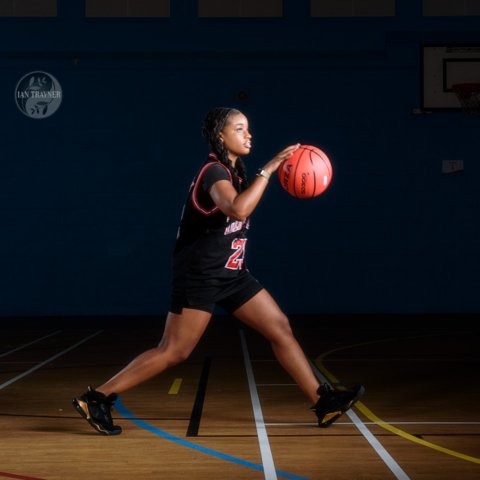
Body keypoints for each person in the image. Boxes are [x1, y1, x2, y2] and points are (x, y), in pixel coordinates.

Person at [72, 107, 364, 435]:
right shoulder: (213, 173)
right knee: (174, 351)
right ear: (220, 136)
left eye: (248, 128)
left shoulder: (234, 172)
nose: (248, 134)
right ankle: (96, 397)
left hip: (232, 274)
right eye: (240, 129)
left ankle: (322, 402)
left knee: (279, 326)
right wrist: (269, 170)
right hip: (200, 277)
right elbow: (237, 209)